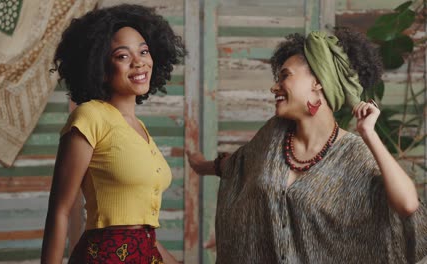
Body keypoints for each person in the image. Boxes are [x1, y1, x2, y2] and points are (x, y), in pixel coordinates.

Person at [187, 29, 427, 263]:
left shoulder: (353, 154)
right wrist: (201, 165)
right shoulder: (274, 135)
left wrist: (369, 133)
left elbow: (407, 205)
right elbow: (240, 164)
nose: (275, 86)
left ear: (318, 82)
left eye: (285, 76)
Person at [41, 4, 185, 264]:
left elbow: (142, 230)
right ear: (100, 67)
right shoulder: (90, 116)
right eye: (122, 56)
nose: (139, 61)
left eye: (143, 51)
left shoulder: (140, 129)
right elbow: (60, 211)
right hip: (103, 257)